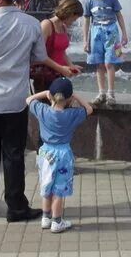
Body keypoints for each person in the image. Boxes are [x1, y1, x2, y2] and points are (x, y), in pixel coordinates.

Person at [0, 0, 78, 222]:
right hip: (16, 98)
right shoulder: (30, 23)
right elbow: (38, 56)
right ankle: (16, 207)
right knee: (14, 153)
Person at [26, 77, 93, 233]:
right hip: (63, 154)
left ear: (50, 95)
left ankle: (45, 218)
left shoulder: (42, 110)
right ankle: (57, 222)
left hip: (45, 153)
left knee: (46, 185)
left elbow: (28, 99)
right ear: (69, 98)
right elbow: (89, 109)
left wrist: (45, 93)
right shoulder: (72, 114)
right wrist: (75, 95)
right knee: (58, 190)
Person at [82, 0, 129, 107]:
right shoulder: (89, 0)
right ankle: (101, 93)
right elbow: (86, 20)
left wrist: (124, 34)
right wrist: (85, 40)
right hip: (96, 32)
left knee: (110, 62)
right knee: (99, 63)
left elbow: (119, 15)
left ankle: (111, 93)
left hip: (112, 32)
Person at [30, 0, 84, 92]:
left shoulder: (63, 27)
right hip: (45, 76)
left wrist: (71, 65)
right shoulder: (47, 25)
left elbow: (62, 51)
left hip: (58, 75)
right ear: (70, 13)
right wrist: (61, 68)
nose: (74, 22)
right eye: (74, 19)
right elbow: (39, 54)